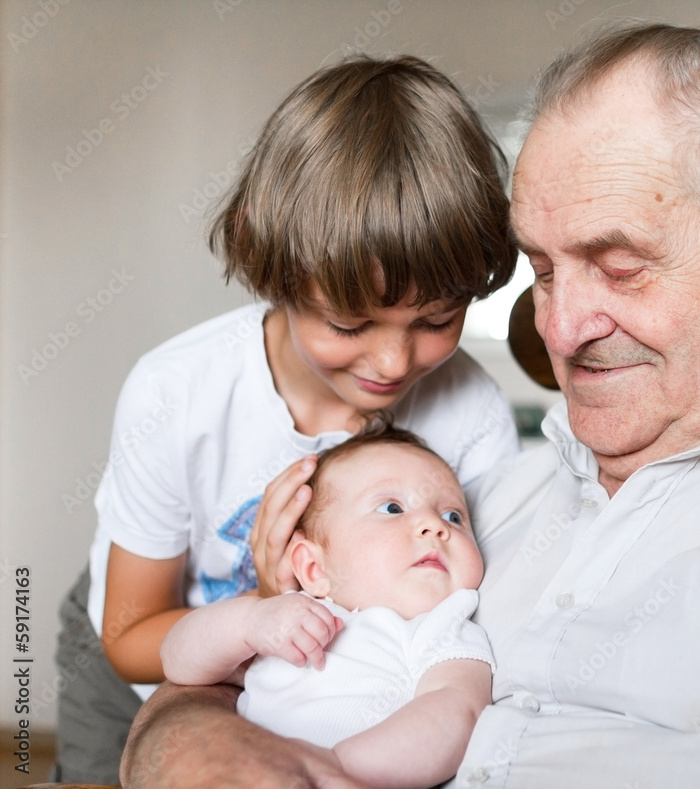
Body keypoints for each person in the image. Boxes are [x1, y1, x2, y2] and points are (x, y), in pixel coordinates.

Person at [122, 23, 700, 789]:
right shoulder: (475, 499)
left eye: (619, 266)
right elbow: (221, 668)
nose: (560, 327)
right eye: (542, 271)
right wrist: (199, 746)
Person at [53, 54, 519, 785]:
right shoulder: (177, 392)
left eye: (437, 318)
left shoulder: (471, 414)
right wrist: (263, 607)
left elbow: (473, 602)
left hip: (325, 680)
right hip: (150, 634)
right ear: (270, 260)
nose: (394, 361)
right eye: (349, 320)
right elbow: (129, 633)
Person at [161, 418, 495, 788]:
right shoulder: (284, 614)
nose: (435, 526)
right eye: (392, 508)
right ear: (313, 567)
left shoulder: (446, 626)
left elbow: (457, 713)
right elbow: (178, 662)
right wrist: (248, 623)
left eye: (454, 516)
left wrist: (337, 765)